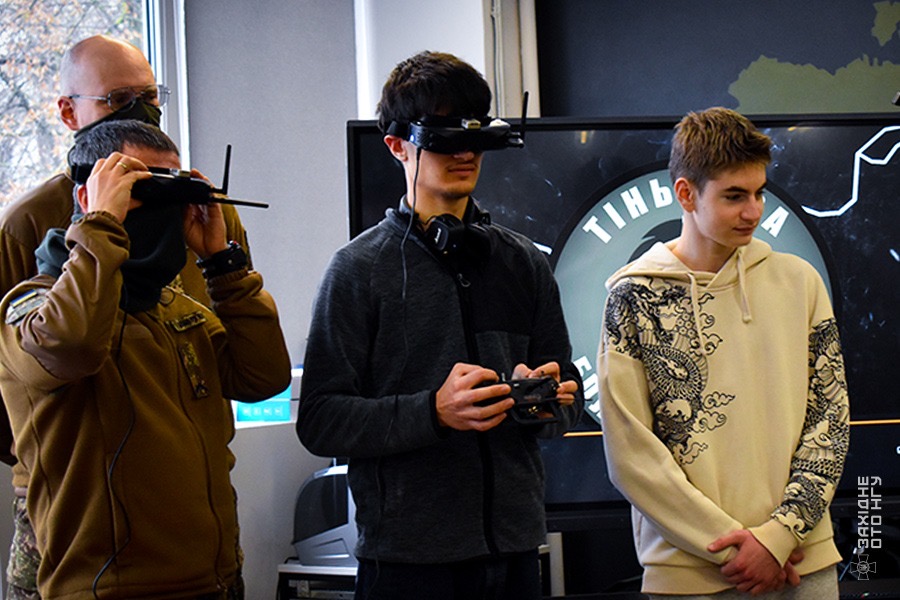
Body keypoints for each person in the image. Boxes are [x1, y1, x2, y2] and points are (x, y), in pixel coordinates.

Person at [296, 50, 584, 600]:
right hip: (408, 564)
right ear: (397, 145)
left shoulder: (522, 262)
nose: (465, 153)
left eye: (474, 136)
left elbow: (567, 392)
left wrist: (549, 402)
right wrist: (433, 412)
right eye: (445, 137)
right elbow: (321, 420)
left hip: (516, 551)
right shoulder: (358, 270)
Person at [0, 35, 250, 600]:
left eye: (150, 96)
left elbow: (243, 346)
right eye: (118, 99)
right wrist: (52, 449)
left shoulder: (195, 208)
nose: (141, 111)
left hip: (189, 505)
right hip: (74, 509)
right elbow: (23, 362)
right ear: (70, 113)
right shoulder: (31, 221)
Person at [598, 107, 850, 599]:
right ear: (686, 194)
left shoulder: (800, 282)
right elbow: (631, 454)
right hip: (689, 573)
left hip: (801, 559)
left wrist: (778, 537)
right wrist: (739, 550)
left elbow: (830, 418)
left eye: (759, 193)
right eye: (734, 196)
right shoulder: (632, 297)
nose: (753, 211)